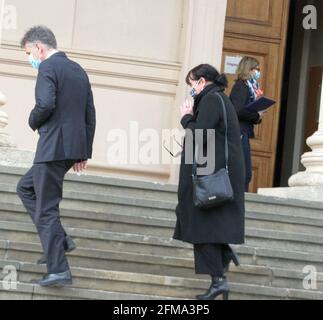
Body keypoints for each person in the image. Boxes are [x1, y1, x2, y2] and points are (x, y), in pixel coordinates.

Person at [16, 26, 96, 287]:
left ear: (39, 47)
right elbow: (90, 114)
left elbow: (46, 104)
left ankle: (59, 269)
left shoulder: (47, 68)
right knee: (25, 187)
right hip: (70, 149)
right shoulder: (78, 70)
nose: (31, 58)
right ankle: (61, 240)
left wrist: (32, 121)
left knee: (46, 209)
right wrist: (84, 151)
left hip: (52, 148)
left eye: (30, 52)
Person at [172, 64, 245, 300]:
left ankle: (219, 279)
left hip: (210, 178)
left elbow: (200, 135)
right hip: (213, 175)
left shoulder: (212, 100)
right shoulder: (216, 99)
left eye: (192, 84)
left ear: (202, 81)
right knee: (205, 226)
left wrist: (186, 117)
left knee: (200, 227)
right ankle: (222, 262)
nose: (191, 90)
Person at [230, 56, 267, 192]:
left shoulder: (250, 87)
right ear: (249, 69)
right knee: (243, 173)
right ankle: (239, 202)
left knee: (245, 173)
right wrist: (256, 115)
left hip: (244, 132)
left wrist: (258, 115)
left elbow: (246, 110)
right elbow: (238, 111)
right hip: (239, 133)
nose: (258, 72)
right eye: (256, 69)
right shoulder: (241, 87)